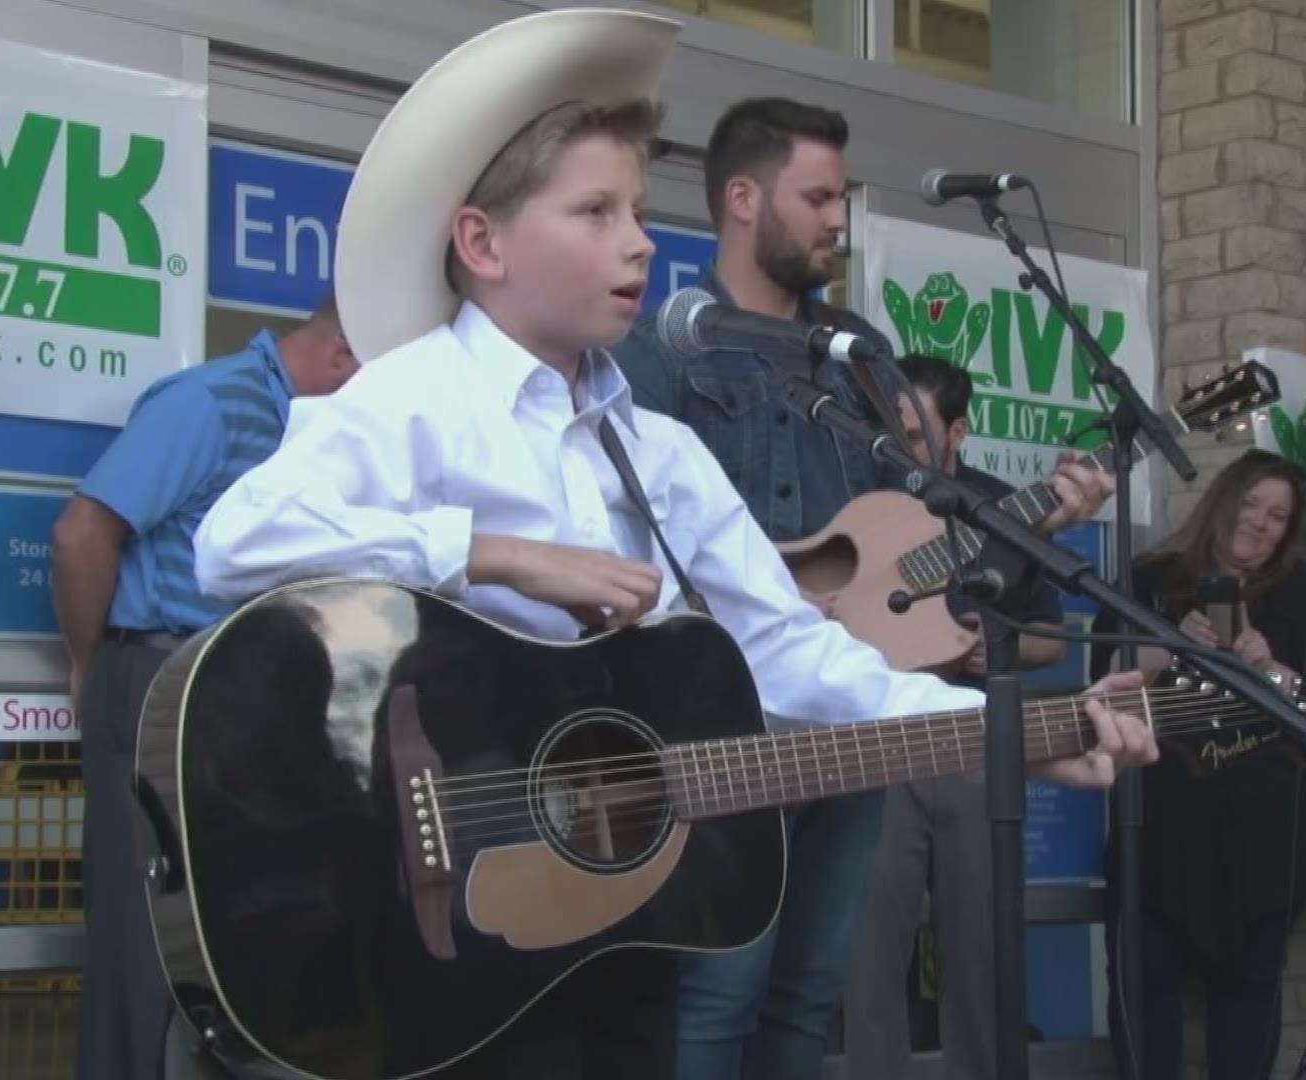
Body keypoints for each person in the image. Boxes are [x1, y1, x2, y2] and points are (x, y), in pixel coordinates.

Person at [192, 10, 1156, 1078]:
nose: (640, 243)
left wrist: (1010, 732)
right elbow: (236, 542)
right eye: (596, 212)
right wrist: (493, 553)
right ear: (483, 242)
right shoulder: (414, 398)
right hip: (437, 923)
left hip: (612, 910)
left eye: (640, 212)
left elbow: (791, 649)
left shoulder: (658, 454)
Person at [612, 98, 1109, 1080]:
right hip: (723, 740)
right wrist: (747, 612)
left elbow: (907, 541)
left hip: (849, 732)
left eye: (840, 195)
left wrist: (1034, 517)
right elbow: (625, 534)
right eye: (819, 196)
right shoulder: (664, 349)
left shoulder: (852, 356)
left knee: (807, 1003)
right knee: (717, 1001)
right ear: (744, 199)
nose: (838, 217)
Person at [51, 298, 356, 1080]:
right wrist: (92, 663)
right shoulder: (212, 404)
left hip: (247, 705)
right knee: (144, 943)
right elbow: (84, 533)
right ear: (342, 357)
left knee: (228, 948)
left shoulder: (312, 432)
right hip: (157, 682)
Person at [841, 354, 1072, 1080]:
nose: (895, 449)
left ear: (960, 432)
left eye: (912, 435)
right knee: (868, 961)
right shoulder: (854, 500)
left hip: (972, 747)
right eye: (886, 430)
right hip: (872, 750)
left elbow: (1053, 639)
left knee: (983, 952)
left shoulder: (1001, 509)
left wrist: (990, 647)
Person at [1085, 449, 1306, 1079]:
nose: (1259, 523)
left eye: (1277, 516)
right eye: (1250, 503)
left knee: (1250, 997)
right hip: (1163, 826)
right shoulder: (1149, 578)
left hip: (1264, 836)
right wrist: (1166, 646)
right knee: (1144, 986)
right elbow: (1101, 689)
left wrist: (1267, 666)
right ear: (1223, 501)